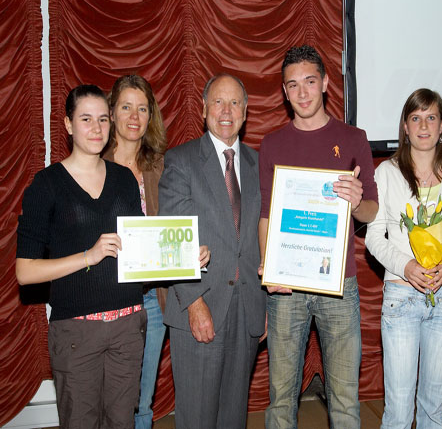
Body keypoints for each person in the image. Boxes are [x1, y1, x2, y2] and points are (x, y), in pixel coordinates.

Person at [259, 45, 378, 429]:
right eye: (293, 85)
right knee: (281, 399)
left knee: (344, 400)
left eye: (310, 82)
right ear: (284, 91)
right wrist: (270, 269)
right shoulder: (272, 145)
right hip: (286, 289)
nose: (303, 92)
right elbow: (266, 215)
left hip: (339, 285)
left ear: (325, 83)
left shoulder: (354, 138)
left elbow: (373, 211)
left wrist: (357, 202)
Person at [16, 85, 146, 428]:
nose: (97, 128)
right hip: (76, 333)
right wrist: (88, 256)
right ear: (69, 125)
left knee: (122, 423)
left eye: (103, 119)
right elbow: (25, 272)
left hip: (128, 326)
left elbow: (143, 250)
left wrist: (186, 254)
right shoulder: (46, 185)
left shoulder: (124, 180)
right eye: (86, 119)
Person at [159, 73, 266, 429]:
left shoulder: (257, 163)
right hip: (200, 308)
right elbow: (172, 240)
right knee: (198, 418)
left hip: (247, 309)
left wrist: (263, 304)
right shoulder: (181, 161)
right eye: (218, 102)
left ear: (246, 111)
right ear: (204, 109)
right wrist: (194, 303)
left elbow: (258, 238)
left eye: (235, 103)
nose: (226, 110)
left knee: (234, 416)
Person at [103, 74, 207, 429]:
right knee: (107, 400)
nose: (134, 116)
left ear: (151, 117)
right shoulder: (93, 164)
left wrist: (190, 250)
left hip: (152, 297)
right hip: (106, 299)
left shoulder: (162, 167)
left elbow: (174, 227)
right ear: (112, 112)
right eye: (126, 107)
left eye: (143, 108)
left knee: (141, 400)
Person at [365, 89, 442, 428]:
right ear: (405, 127)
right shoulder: (386, 172)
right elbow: (373, 237)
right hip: (401, 297)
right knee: (397, 409)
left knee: (434, 408)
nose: (424, 125)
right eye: (416, 118)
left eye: (431, 118)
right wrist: (406, 267)